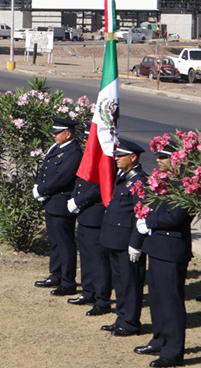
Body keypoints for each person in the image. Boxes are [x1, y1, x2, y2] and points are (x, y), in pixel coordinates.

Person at [132, 143, 191, 367]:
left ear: (176, 160)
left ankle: (172, 352)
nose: (158, 160)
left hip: (171, 249)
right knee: (157, 299)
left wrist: (149, 222)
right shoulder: (162, 182)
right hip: (156, 247)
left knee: (171, 302)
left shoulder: (186, 185)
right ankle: (159, 339)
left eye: (164, 157)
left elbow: (176, 217)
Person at [99, 139, 147, 338]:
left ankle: (131, 322)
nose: (116, 158)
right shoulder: (124, 177)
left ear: (133, 158)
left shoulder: (140, 181)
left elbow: (141, 215)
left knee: (130, 283)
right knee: (119, 282)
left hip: (127, 241)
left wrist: (136, 243)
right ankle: (122, 318)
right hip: (115, 240)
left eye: (121, 155)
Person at [33, 117, 84, 296]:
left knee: (65, 242)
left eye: (57, 132)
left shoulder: (74, 153)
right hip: (51, 201)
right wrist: (38, 187)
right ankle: (56, 274)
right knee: (54, 241)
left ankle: (68, 281)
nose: (54, 135)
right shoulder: (57, 148)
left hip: (61, 202)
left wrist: (42, 190)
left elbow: (63, 178)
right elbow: (45, 169)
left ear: (68, 134)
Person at [68, 156, 110, 316]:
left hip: (95, 216)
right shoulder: (89, 158)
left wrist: (78, 201)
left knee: (98, 261)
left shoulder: (105, 159)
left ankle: (102, 299)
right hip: (84, 215)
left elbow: (100, 187)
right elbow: (79, 181)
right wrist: (74, 198)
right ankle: (88, 292)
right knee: (85, 257)